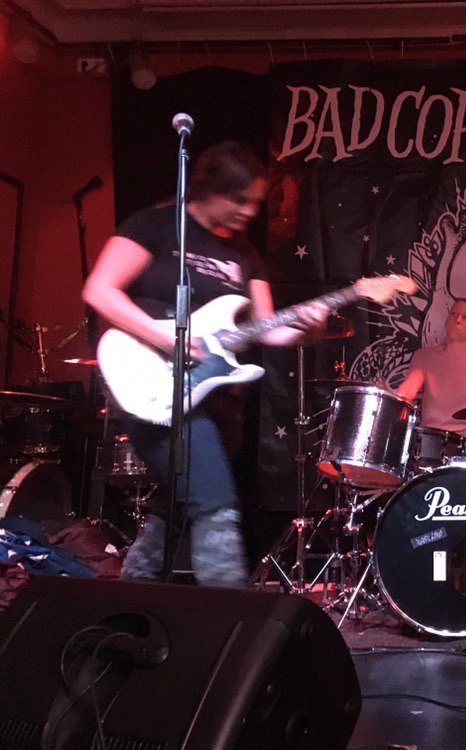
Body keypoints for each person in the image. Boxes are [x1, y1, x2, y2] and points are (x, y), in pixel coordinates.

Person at [82, 141, 329, 587]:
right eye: (240, 200)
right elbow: (99, 290)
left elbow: (266, 328)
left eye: (256, 203)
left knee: (180, 499)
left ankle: (134, 588)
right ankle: (231, 613)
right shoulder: (156, 226)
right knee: (216, 501)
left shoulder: (245, 255)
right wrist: (166, 338)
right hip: (148, 376)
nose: (250, 211)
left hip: (214, 396)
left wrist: (307, 330)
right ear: (208, 190)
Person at [395, 298, 466, 469]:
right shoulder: (424, 356)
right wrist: (387, 395)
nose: (457, 319)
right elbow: (405, 394)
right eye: (453, 314)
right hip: (432, 438)